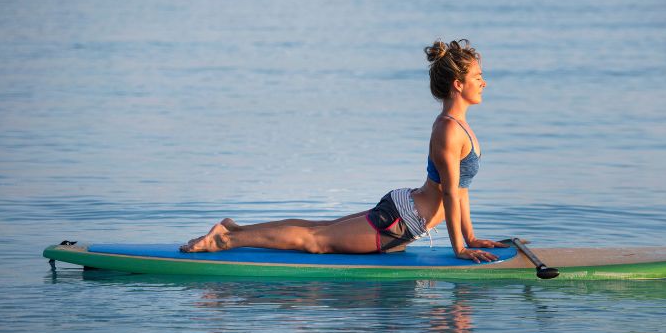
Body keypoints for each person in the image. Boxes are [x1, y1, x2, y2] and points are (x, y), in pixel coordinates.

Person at [180, 39, 506, 263]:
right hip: (402, 221)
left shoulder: (459, 126)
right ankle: (225, 240)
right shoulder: (449, 128)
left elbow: (460, 191)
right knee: (317, 241)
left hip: (405, 210)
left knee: (320, 227)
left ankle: (235, 229)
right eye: (478, 77)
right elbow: (449, 194)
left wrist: (471, 237)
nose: (484, 82)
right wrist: (460, 248)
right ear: (458, 84)